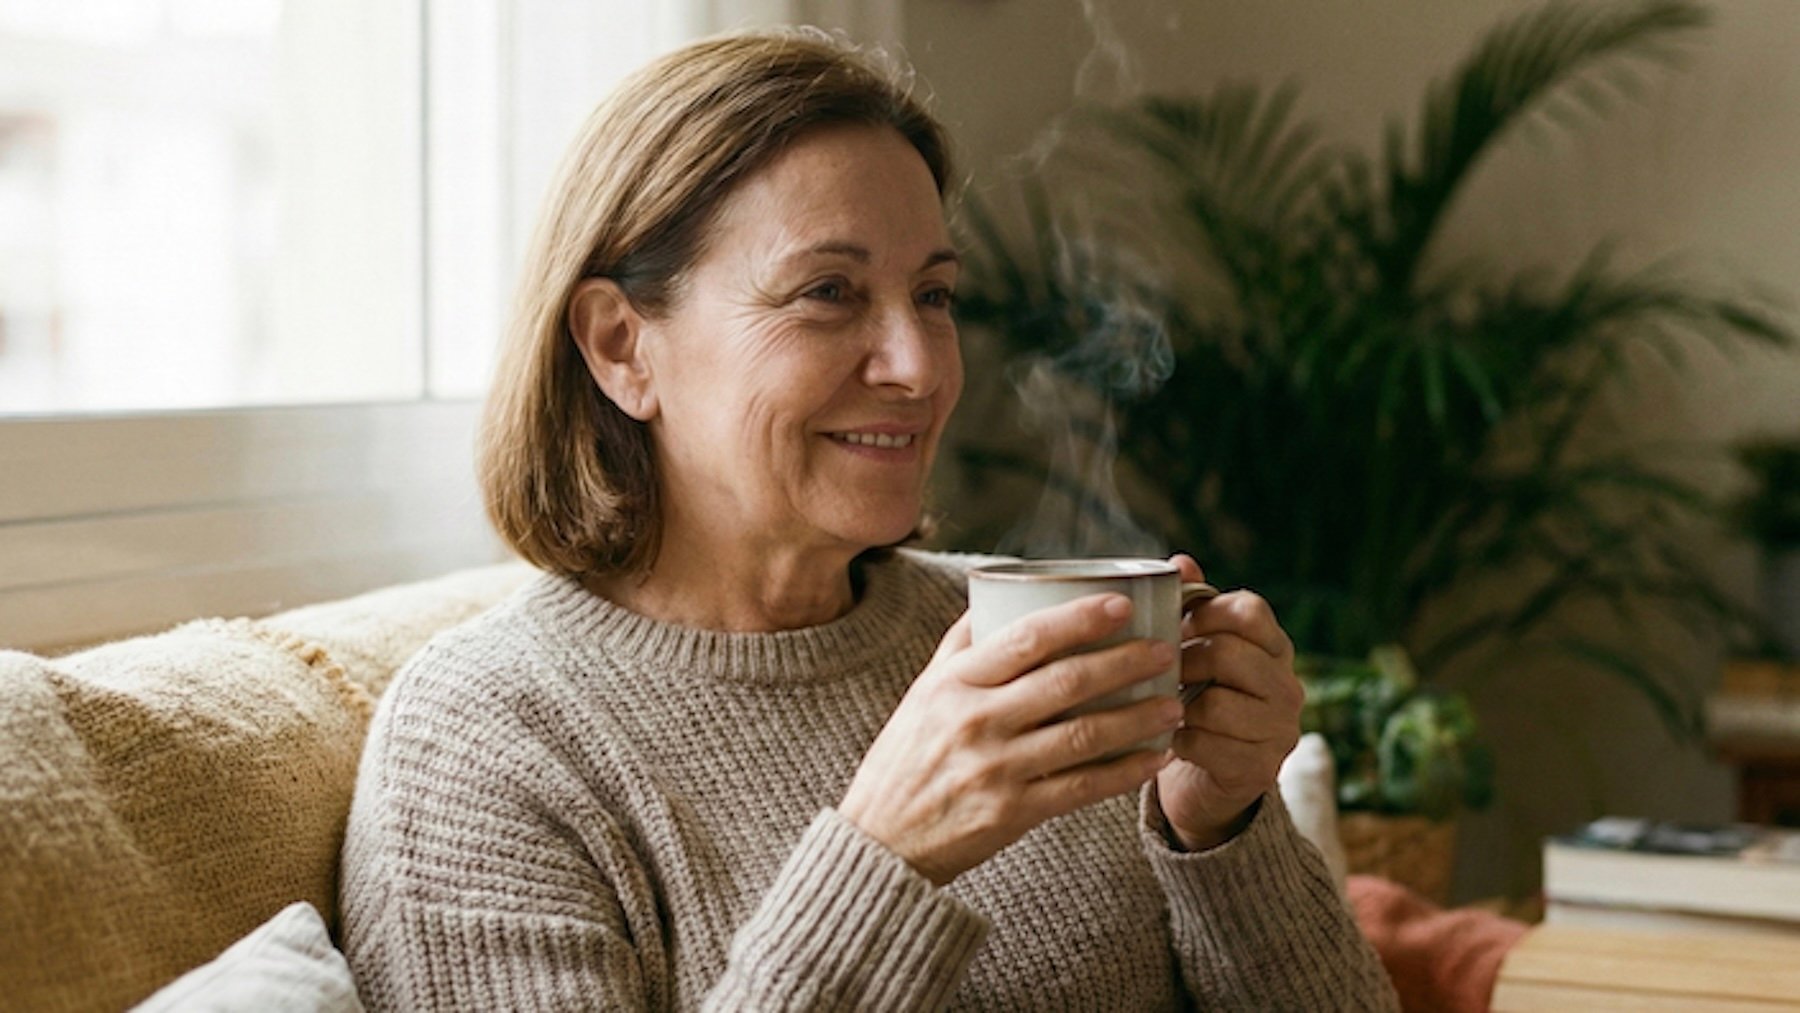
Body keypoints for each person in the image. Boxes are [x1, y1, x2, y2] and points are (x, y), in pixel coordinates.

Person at [339, 27, 1398, 1011]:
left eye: (933, 295)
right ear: (622, 346)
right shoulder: (481, 742)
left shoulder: (1017, 637)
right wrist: (883, 859)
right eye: (828, 292)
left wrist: (1219, 824)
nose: (918, 364)